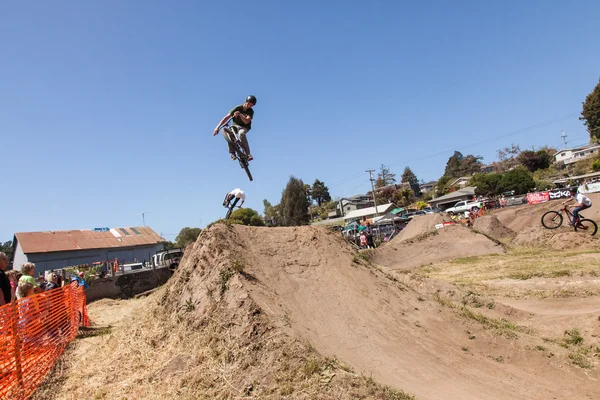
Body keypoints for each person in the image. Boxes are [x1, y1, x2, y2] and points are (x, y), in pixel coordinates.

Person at [213, 95, 257, 161]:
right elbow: (226, 117)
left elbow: (246, 121)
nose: (250, 106)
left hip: (244, 127)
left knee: (241, 133)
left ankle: (248, 154)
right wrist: (217, 128)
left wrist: (240, 115)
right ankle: (232, 153)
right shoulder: (238, 108)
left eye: (251, 105)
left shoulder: (250, 111)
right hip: (235, 126)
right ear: (246, 101)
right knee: (228, 132)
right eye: (249, 104)